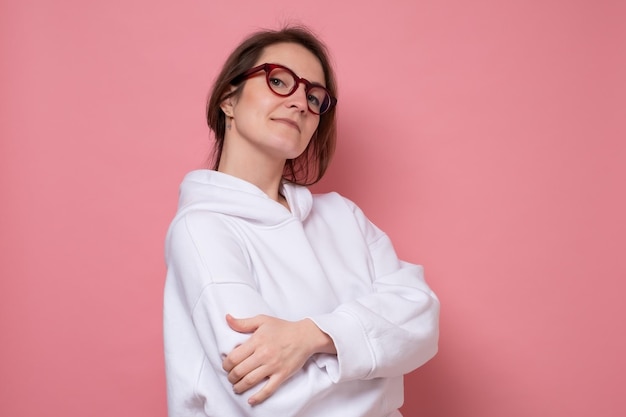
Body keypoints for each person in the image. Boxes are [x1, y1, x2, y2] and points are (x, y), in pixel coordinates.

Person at [163, 25, 440, 417]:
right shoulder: (202, 228)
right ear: (229, 99)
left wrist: (312, 336)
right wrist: (379, 369)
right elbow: (271, 399)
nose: (300, 103)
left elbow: (422, 321)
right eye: (278, 81)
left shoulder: (344, 216)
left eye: (314, 96)